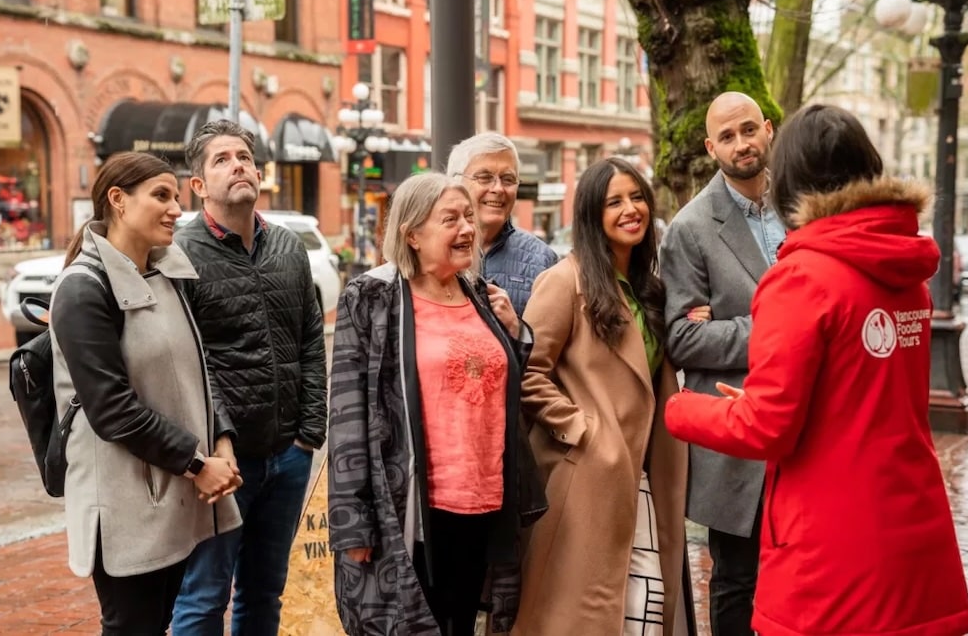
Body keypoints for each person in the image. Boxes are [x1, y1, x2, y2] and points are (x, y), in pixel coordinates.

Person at [665, 104, 968, 635]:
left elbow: (767, 427)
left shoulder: (802, 278)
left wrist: (680, 409)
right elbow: (860, 390)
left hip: (833, 540)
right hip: (910, 524)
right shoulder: (907, 272)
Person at [328, 172, 545, 636]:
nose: (467, 228)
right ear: (412, 234)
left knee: (462, 622)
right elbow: (346, 412)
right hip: (414, 506)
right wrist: (353, 524)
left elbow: (498, 386)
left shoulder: (479, 295)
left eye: (468, 216)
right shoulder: (373, 297)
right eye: (450, 219)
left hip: (485, 500)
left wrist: (517, 337)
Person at [49, 152, 242, 635]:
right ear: (118, 200)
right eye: (161, 195)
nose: (177, 207)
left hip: (170, 493)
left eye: (176, 195)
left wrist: (222, 438)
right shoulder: (82, 290)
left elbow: (200, 367)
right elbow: (112, 410)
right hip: (124, 506)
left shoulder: (166, 275)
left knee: (159, 622)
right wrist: (198, 464)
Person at [514, 157, 693, 635]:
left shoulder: (650, 291)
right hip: (589, 479)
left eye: (637, 198)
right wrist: (582, 430)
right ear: (593, 214)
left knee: (646, 607)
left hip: (646, 475)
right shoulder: (564, 281)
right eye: (615, 201)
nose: (630, 209)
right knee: (587, 615)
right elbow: (528, 371)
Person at [170, 120, 328, 636]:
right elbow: (187, 361)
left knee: (265, 592)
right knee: (204, 596)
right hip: (223, 463)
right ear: (197, 186)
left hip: (288, 455)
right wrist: (217, 440)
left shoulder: (288, 246)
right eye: (222, 159)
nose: (239, 165)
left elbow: (310, 339)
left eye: (245, 157)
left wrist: (309, 433)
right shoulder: (179, 255)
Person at [658, 90, 782, 635]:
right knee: (737, 579)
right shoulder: (690, 228)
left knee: (805, 570)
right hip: (739, 436)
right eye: (727, 137)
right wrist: (783, 332)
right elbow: (683, 338)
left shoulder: (804, 207)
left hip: (809, 429)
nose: (741, 144)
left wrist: (728, 327)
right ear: (711, 147)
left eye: (748, 130)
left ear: (769, 129)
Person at [446, 132, 558, 316]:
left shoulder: (542, 260)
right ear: (455, 182)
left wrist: (517, 329)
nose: (498, 189)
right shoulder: (432, 251)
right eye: (484, 177)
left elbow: (551, 341)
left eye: (508, 179)